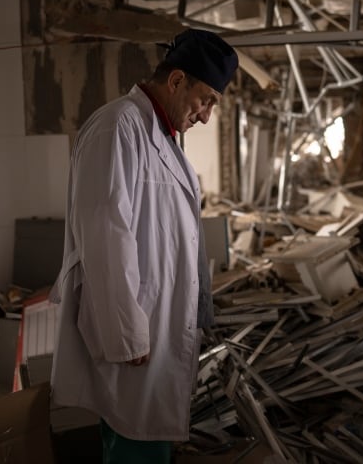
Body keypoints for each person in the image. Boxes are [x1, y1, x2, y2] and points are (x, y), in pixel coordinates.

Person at [50, 28, 238, 463]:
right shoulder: (117, 127)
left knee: (145, 438)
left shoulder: (161, 136)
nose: (207, 116)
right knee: (135, 441)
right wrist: (127, 334)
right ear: (176, 81)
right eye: (205, 99)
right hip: (136, 338)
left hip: (157, 325)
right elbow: (105, 233)